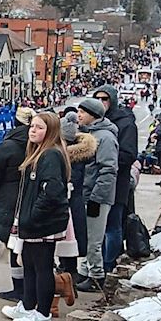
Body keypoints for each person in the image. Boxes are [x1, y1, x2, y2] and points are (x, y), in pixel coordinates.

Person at [2, 110, 70, 321]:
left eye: (40, 127)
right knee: (29, 265)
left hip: (43, 223)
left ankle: (42, 314)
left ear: (50, 132)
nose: (33, 130)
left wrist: (32, 216)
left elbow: (52, 192)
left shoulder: (50, 155)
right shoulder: (38, 153)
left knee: (42, 267)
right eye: (32, 126)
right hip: (33, 222)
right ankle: (28, 305)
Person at [0, 107, 34, 302]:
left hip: (11, 200)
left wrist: (3, 191)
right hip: (32, 199)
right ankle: (28, 289)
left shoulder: (9, 145)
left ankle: (19, 289)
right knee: (31, 248)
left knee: (14, 246)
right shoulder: (40, 144)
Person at [93, 84, 138, 282]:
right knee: (96, 229)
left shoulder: (125, 123)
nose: (101, 102)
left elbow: (129, 154)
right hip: (95, 184)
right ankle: (96, 266)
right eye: (98, 99)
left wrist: (105, 158)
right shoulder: (93, 122)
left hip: (117, 183)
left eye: (105, 99)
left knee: (112, 226)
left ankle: (108, 265)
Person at [73, 97, 118, 292]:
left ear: (93, 115)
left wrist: (96, 198)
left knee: (94, 240)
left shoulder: (105, 138)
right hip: (86, 193)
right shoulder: (88, 133)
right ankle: (84, 272)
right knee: (85, 237)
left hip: (97, 197)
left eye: (82, 112)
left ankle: (97, 276)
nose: (79, 115)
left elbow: (108, 170)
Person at [60, 111, 96, 277]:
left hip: (69, 203)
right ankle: (68, 272)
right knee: (71, 241)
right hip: (77, 202)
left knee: (67, 240)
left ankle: (68, 276)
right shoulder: (85, 154)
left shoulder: (67, 157)